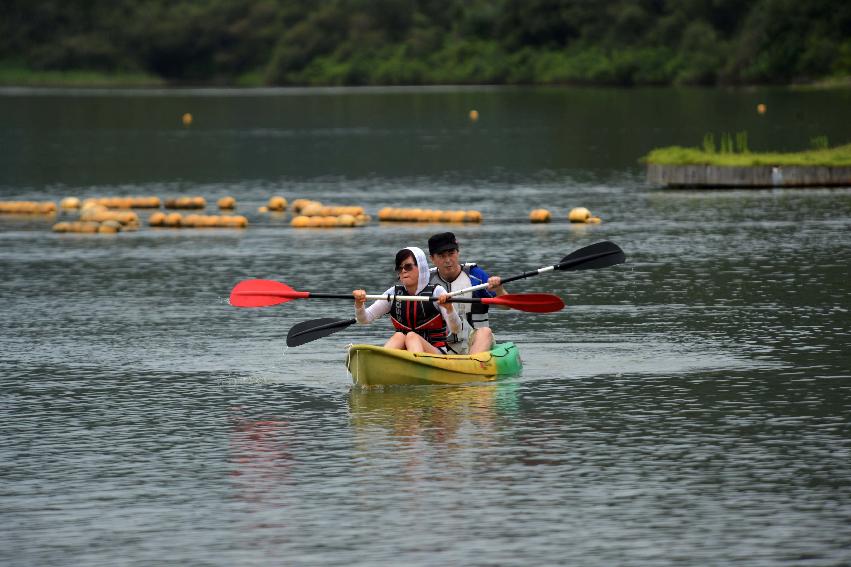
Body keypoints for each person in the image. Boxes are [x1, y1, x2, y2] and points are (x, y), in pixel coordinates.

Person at [353, 246, 462, 354]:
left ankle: (414, 365)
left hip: (435, 353)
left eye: (408, 267)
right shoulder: (393, 293)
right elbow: (364, 319)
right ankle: (382, 362)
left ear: (420, 267)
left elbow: (456, 329)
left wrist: (449, 308)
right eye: (400, 268)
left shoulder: (437, 292)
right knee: (399, 336)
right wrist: (359, 304)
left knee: (411, 336)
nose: (403, 271)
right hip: (406, 352)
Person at [428, 232, 506, 355]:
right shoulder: (427, 281)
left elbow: (505, 306)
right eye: (442, 256)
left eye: (451, 254)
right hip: (440, 346)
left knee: (485, 332)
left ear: (458, 253)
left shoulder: (476, 276)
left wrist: (499, 289)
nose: (448, 260)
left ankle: (472, 364)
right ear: (432, 259)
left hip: (475, 342)